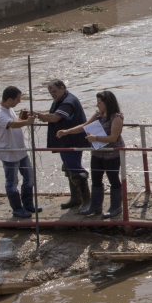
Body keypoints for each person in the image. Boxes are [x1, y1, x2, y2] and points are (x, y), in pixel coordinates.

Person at [58, 90, 126, 219]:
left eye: (100, 103)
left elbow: (113, 138)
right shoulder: (98, 115)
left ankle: (116, 207)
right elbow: (84, 126)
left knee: (113, 179)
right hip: (97, 152)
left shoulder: (116, 117)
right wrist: (67, 131)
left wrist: (96, 138)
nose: (97, 105)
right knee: (96, 179)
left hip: (111, 153)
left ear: (107, 103)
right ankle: (95, 206)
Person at [34, 79, 89, 210]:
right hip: (64, 141)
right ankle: (76, 198)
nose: (53, 94)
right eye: (50, 93)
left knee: (76, 170)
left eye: (54, 91)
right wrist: (39, 115)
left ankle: (87, 201)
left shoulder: (68, 102)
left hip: (73, 141)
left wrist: (37, 115)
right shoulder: (60, 99)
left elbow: (54, 118)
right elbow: (51, 116)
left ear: (62, 88)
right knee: (68, 168)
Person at [0, 86, 41, 218]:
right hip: (9, 152)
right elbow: (11, 124)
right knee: (12, 183)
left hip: (20, 150)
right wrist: (26, 122)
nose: (19, 102)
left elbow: (14, 122)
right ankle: (17, 209)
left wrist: (22, 119)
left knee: (29, 178)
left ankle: (28, 204)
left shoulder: (9, 109)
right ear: (9, 99)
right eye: (17, 99)